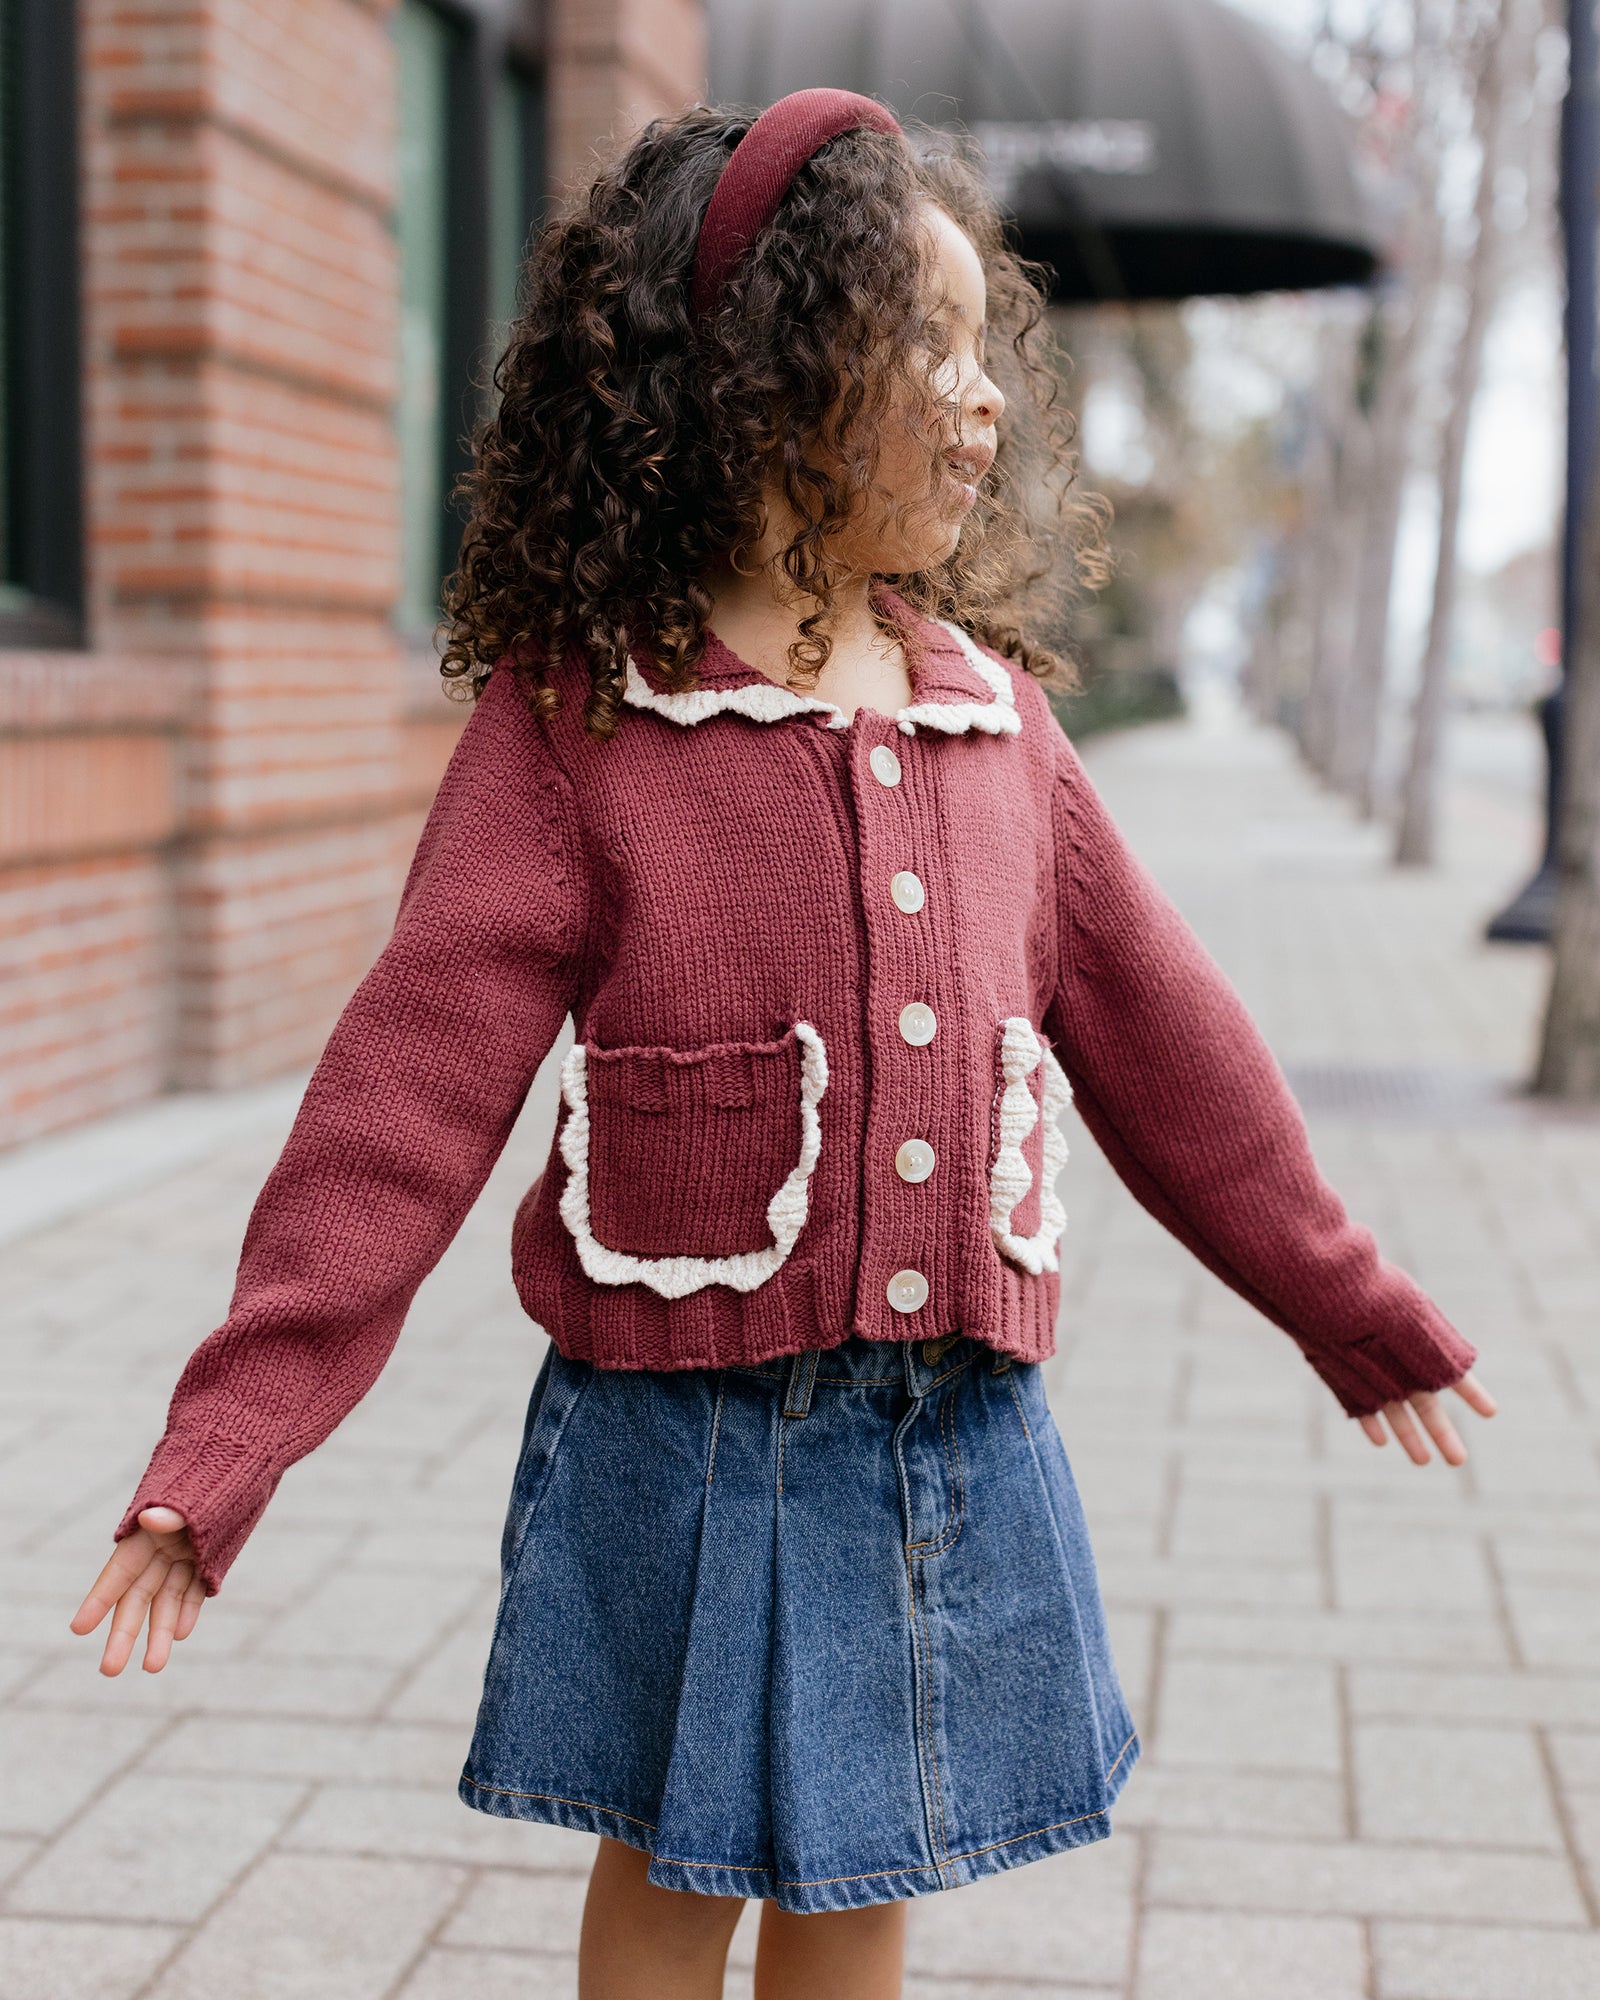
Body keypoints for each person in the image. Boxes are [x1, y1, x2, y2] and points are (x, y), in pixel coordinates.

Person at [70, 88, 1496, 2000]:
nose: (987, 400)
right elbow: (404, 1094)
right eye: (930, 346)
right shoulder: (586, 724)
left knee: (867, 1870)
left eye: (992, 354)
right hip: (684, 1430)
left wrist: (1343, 1298)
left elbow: (1175, 1044)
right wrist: (227, 1438)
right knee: (674, 1874)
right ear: (765, 378)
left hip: (942, 1426)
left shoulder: (995, 728)